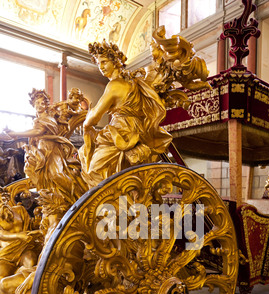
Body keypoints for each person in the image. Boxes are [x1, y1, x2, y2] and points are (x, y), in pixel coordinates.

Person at [78, 40, 173, 188]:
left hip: (123, 133)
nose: (101, 67)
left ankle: (109, 204)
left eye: (104, 62)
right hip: (137, 131)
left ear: (115, 61)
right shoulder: (134, 83)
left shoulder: (114, 85)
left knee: (93, 169)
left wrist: (86, 122)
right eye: (98, 63)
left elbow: (96, 116)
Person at [5, 89, 87, 205]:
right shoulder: (37, 119)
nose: (39, 106)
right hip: (42, 151)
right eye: (37, 103)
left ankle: (78, 198)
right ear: (33, 105)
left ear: (46, 105)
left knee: (57, 175)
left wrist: (16, 133)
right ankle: (56, 199)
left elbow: (39, 131)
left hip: (52, 149)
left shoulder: (48, 118)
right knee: (44, 179)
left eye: (42, 103)